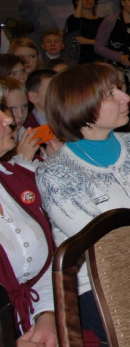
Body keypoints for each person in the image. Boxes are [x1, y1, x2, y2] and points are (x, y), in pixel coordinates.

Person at [36, 62, 130, 341]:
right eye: (111, 94)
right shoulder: (56, 174)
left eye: (120, 88)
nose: (126, 97)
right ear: (82, 106)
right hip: (103, 285)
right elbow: (108, 248)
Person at [0, 107, 58, 347]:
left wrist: (46, 316)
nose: (9, 119)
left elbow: (42, 266)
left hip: (33, 324)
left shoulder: (13, 178)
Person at [65, 0, 102, 64]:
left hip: (98, 58)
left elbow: (107, 42)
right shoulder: (72, 19)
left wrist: (88, 41)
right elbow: (75, 23)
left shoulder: (102, 21)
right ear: (77, 2)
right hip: (78, 59)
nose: (87, 0)